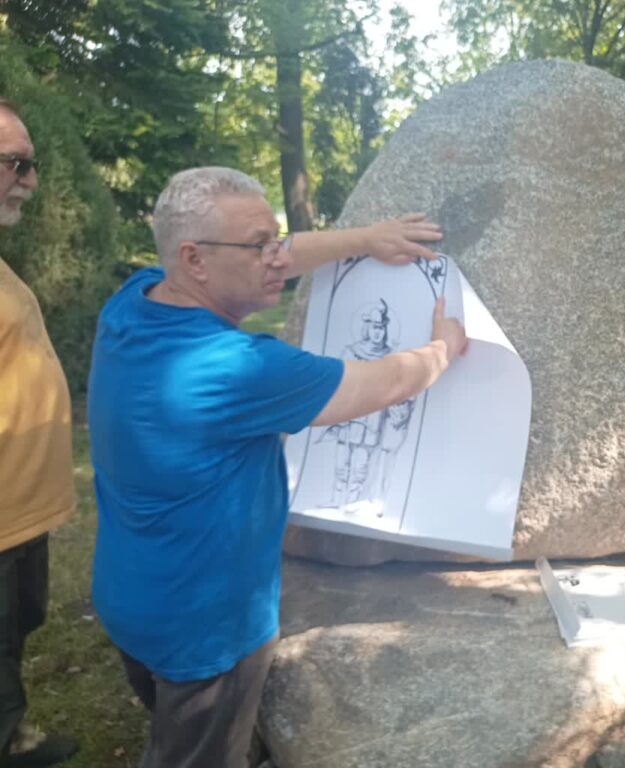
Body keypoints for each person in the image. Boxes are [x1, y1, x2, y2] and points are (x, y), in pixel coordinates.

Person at [87, 166, 467, 768]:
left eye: (277, 239)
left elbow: (276, 256)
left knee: (173, 736)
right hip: (207, 632)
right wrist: (445, 347)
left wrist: (366, 238)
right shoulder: (237, 368)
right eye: (259, 245)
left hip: (130, 595)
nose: (278, 256)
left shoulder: (133, 302)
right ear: (195, 259)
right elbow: (383, 381)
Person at [0, 98, 79, 767]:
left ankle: (13, 733)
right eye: (15, 164)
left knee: (13, 631)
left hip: (20, 513)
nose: (30, 179)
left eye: (33, 163)